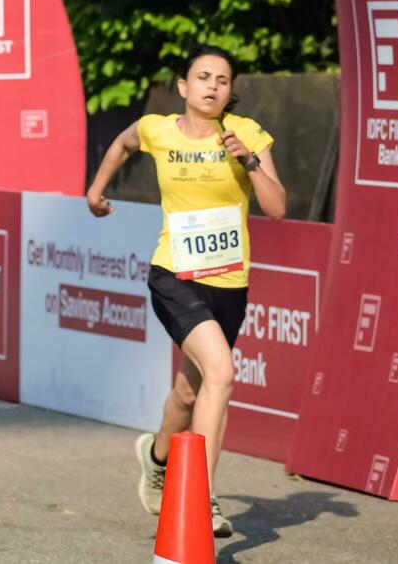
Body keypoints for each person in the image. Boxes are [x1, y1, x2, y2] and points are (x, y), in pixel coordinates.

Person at [85, 45, 286, 539]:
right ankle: (203, 495)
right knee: (222, 371)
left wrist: (252, 164)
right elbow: (123, 144)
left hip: (229, 283)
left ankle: (156, 457)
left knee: (189, 390)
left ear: (229, 91)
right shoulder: (158, 128)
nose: (212, 86)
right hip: (174, 274)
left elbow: (278, 208)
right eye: (202, 76)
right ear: (183, 86)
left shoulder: (249, 135)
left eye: (221, 79)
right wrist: (95, 190)